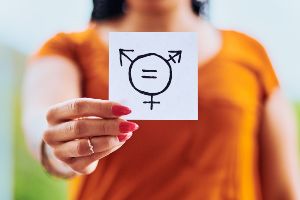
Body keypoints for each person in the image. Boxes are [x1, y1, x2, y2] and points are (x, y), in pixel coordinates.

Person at [22, 0, 300, 199]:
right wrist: (58, 147)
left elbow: (284, 190)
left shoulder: (250, 55)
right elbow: (40, 121)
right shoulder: (68, 49)